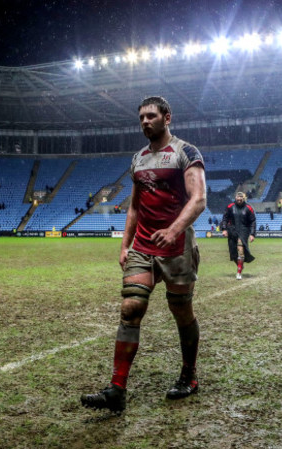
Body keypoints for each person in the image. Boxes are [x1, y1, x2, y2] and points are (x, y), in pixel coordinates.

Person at [81, 96, 206, 414]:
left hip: (177, 247)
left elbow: (199, 199)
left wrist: (174, 230)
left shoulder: (185, 152)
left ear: (167, 118)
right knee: (131, 307)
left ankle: (189, 376)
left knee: (181, 312)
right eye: (140, 117)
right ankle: (117, 390)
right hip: (143, 247)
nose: (145, 122)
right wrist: (125, 245)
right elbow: (134, 206)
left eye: (151, 116)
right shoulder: (137, 159)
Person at [221, 192, 256, 280]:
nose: (239, 200)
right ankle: (240, 265)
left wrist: (252, 234)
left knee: (241, 249)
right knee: (233, 253)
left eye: (241, 198)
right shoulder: (230, 207)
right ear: (235, 198)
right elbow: (225, 218)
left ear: (244, 198)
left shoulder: (249, 208)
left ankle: (239, 272)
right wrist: (224, 229)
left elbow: (253, 222)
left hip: (244, 231)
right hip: (232, 230)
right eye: (237, 198)